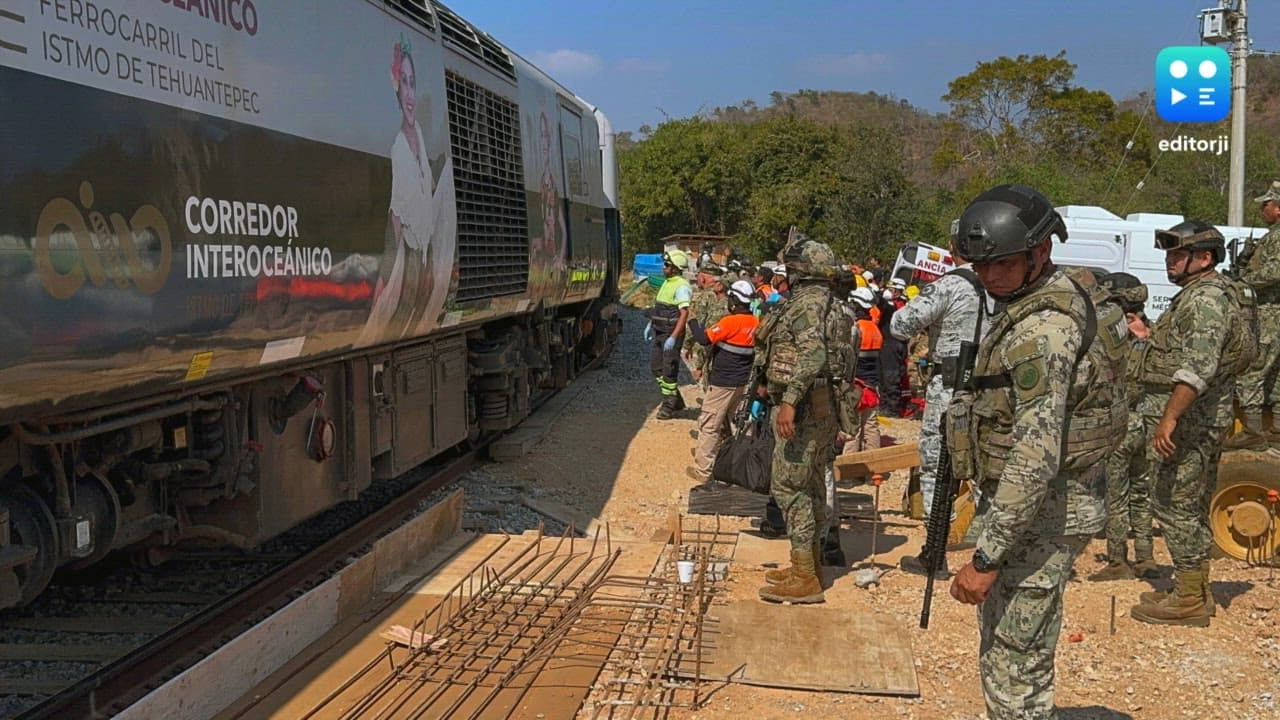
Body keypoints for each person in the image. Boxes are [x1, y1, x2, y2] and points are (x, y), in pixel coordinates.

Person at [946, 184, 1127, 719]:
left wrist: (986, 558)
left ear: (1039, 253)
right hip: (1049, 507)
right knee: (1023, 645)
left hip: (1042, 513)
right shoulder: (1058, 294)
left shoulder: (1044, 331)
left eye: (999, 265)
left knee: (1011, 658)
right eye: (979, 266)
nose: (987, 277)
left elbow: (1034, 456)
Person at [1129, 221, 1256, 627]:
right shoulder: (1200, 296)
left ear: (1204, 258)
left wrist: (1169, 416)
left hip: (1190, 421)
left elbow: (1197, 367)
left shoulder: (1204, 301)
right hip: (1196, 418)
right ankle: (1194, 589)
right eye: (1169, 255)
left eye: (1178, 255)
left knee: (1173, 503)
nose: (1170, 261)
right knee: (1191, 504)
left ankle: (1188, 598)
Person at [755, 236, 846, 604]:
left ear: (798, 272)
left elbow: (813, 355)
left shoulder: (804, 306)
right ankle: (808, 565)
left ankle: (805, 574)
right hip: (825, 409)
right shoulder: (834, 306)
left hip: (805, 410)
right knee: (811, 486)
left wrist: (789, 402)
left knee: (790, 488)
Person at [891, 246, 986, 577]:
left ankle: (935, 551)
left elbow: (901, 324)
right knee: (988, 468)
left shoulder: (951, 285)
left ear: (952, 249)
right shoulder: (1003, 285)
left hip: (950, 386)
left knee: (936, 467)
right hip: (992, 389)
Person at [361, 37, 457, 345]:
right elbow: (395, 229)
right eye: (404, 82)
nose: (410, 93)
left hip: (427, 261)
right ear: (396, 89)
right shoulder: (398, 151)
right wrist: (382, 286)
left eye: (413, 82)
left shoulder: (419, 135)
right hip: (412, 267)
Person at [1088, 272, 1158, 581]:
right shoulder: (1154, 333)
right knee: (1142, 492)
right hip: (1152, 425)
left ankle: (1118, 560)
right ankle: (1146, 557)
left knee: (1116, 495)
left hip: (1123, 425)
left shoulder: (1114, 335)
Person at [686, 280, 760, 483]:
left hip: (722, 383)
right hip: (742, 383)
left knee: (709, 424)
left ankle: (704, 471)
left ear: (734, 301)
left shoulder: (730, 322)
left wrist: (692, 321)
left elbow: (703, 339)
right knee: (735, 424)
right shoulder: (756, 323)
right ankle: (735, 465)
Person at [1225, 181, 1280, 449]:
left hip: (1270, 314)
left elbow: (1274, 272)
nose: (1263, 209)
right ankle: (1277, 431)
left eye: (1267, 204)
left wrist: (1243, 280)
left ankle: (1253, 432)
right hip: (1273, 313)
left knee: (1253, 370)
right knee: (1275, 374)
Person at [645, 250, 693, 419]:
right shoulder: (667, 283)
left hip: (670, 333)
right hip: (660, 332)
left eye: (666, 265)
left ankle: (669, 405)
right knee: (655, 367)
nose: (663, 267)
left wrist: (673, 337)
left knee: (668, 370)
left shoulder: (681, 286)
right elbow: (660, 308)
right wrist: (651, 323)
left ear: (675, 268)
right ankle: (676, 400)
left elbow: (684, 314)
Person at [847, 287, 882, 452]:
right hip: (872, 385)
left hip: (856, 385)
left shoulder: (856, 328)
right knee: (871, 426)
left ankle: (848, 470)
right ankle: (874, 469)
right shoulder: (875, 329)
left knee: (852, 427)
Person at [684, 264, 729, 389]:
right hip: (729, 351)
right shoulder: (729, 297)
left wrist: (688, 345)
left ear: (702, 277)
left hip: (709, 346)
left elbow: (697, 323)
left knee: (710, 385)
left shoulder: (704, 296)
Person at [879, 278, 909, 416]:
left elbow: (887, 308)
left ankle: (892, 408)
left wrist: (884, 299)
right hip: (892, 344)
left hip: (893, 344)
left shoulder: (899, 306)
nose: (889, 291)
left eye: (891, 289)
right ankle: (886, 404)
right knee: (886, 376)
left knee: (891, 376)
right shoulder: (897, 304)